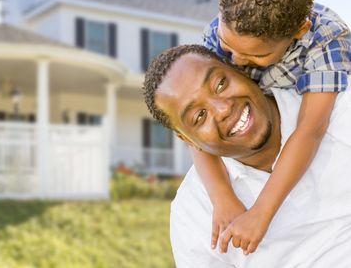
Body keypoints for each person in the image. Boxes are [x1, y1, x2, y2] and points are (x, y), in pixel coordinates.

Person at [196, 0, 351, 254]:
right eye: (229, 48)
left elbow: (310, 129)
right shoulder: (219, 31)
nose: (236, 62)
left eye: (257, 56)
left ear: (299, 31)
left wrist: (260, 213)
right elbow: (188, 124)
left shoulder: (327, 38)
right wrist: (222, 196)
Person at [143, 44, 351, 267]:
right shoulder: (194, 211)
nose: (222, 109)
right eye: (199, 116)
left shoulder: (339, 107)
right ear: (188, 141)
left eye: (221, 84)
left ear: (241, 70)